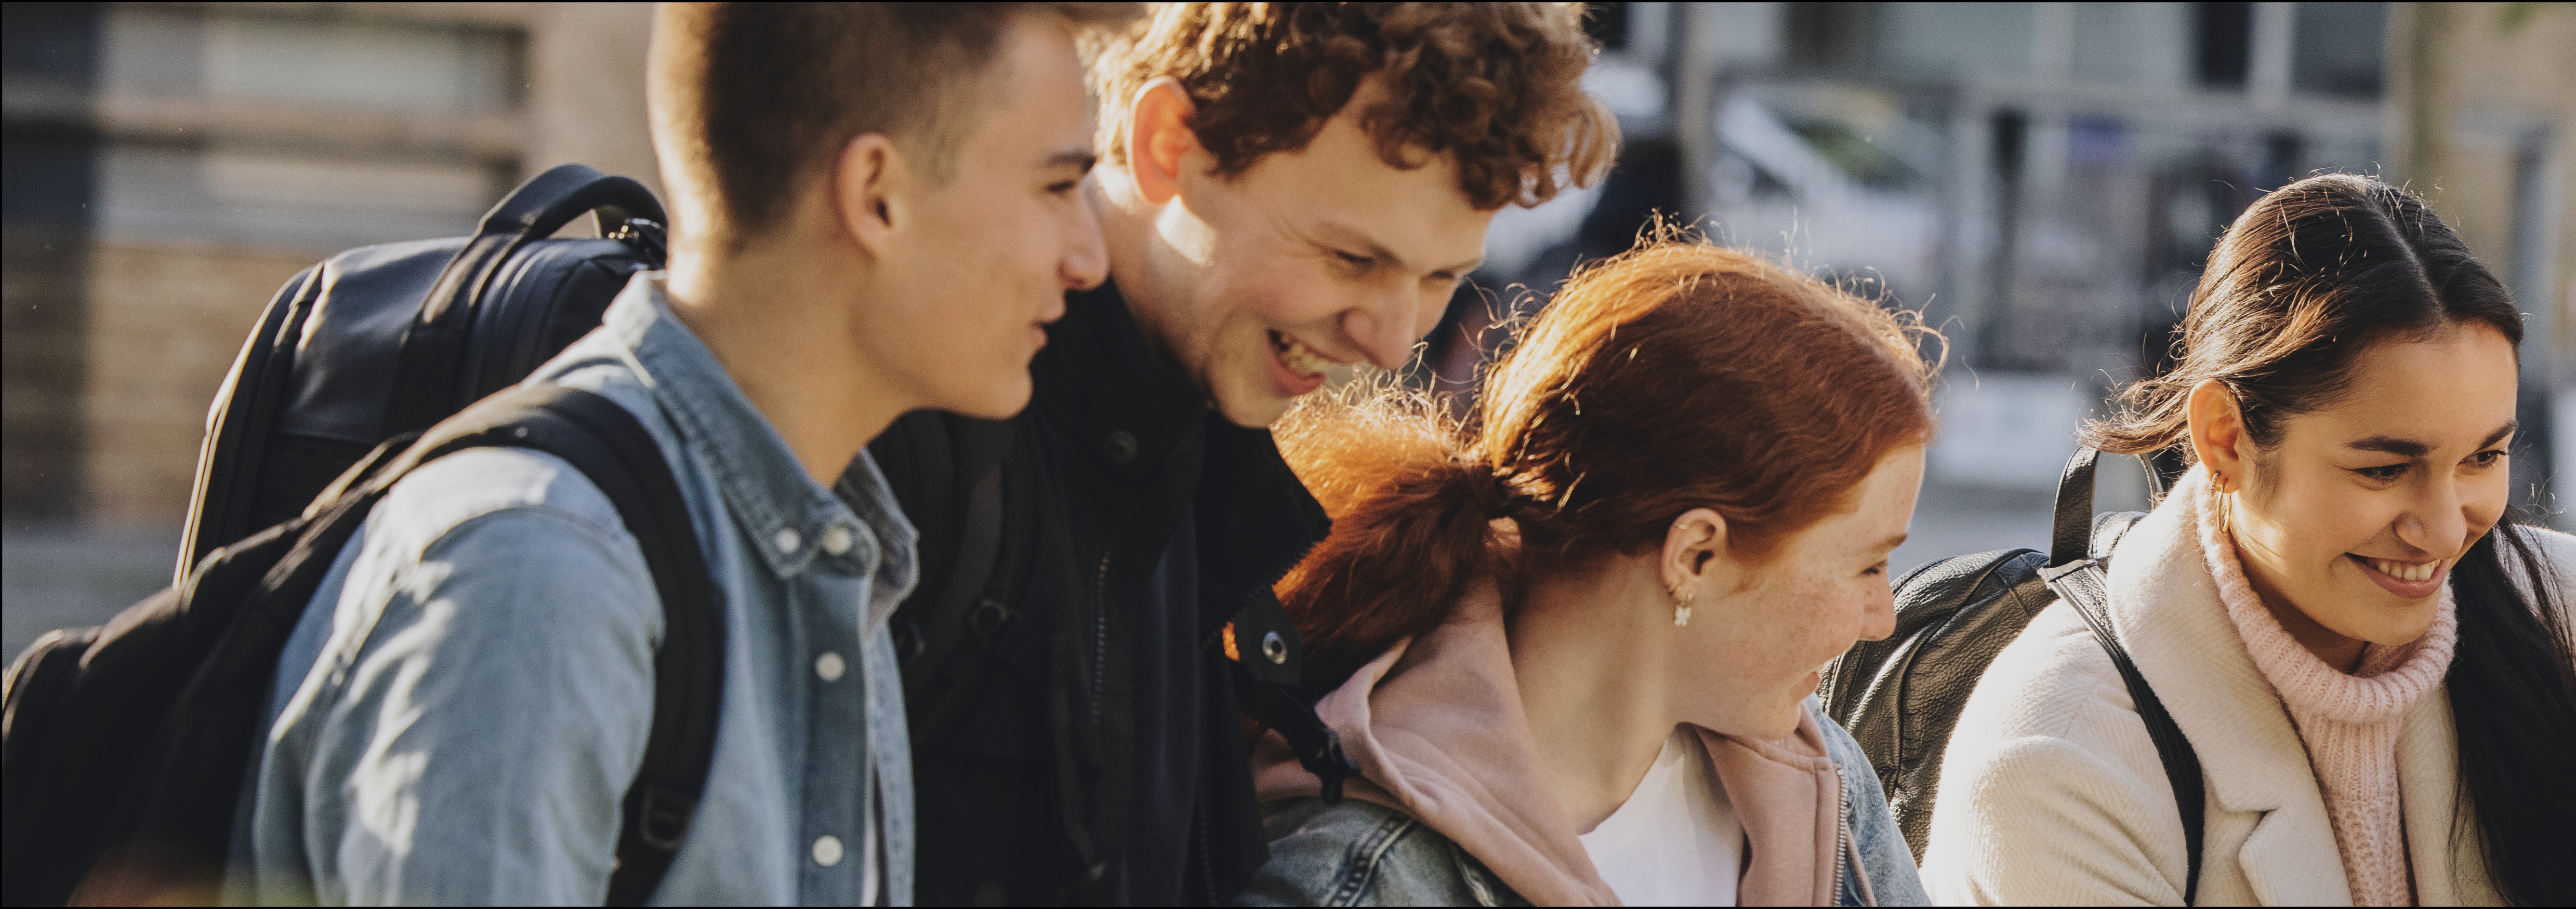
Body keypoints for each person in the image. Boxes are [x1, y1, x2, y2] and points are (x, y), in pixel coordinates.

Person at [238, 4, 1125, 904]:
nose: (1088, 256)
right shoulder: (537, 582)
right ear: (877, 196)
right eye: (1058, 188)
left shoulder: (841, 548)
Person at [862, 4, 1616, 903]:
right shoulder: (911, 446)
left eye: (1438, 277)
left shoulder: (1189, 462)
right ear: (1168, 144)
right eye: (1349, 257)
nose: (1389, 339)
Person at [1915, 173, 2576, 906]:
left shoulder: (2519, 598)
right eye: (2383, 468)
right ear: (2226, 439)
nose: (2445, 531)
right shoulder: (2057, 762)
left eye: (2484, 457)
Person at [1237, 242, 1933, 907]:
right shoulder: (1363, 876)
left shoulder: (1817, 777)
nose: (1883, 616)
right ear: (1696, 556)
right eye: (1869, 563)